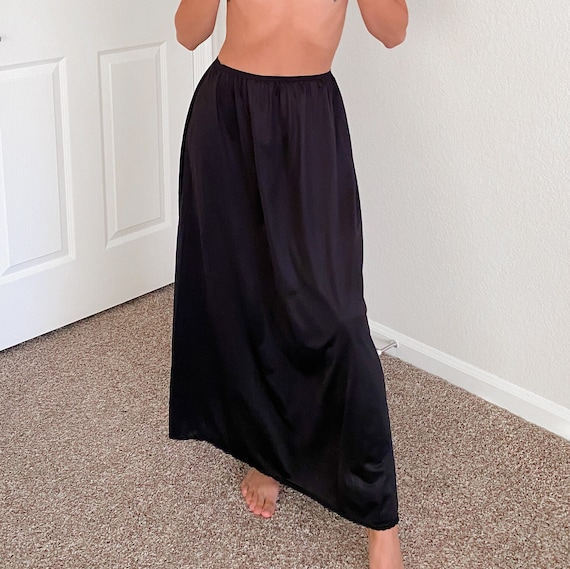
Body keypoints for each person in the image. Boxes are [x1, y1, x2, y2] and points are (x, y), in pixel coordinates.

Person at [169, 1, 409, 568]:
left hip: (308, 121)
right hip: (226, 115)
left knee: (338, 317)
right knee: (246, 296)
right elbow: (188, 34)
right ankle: (267, 451)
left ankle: (380, 520)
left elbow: (392, 32)